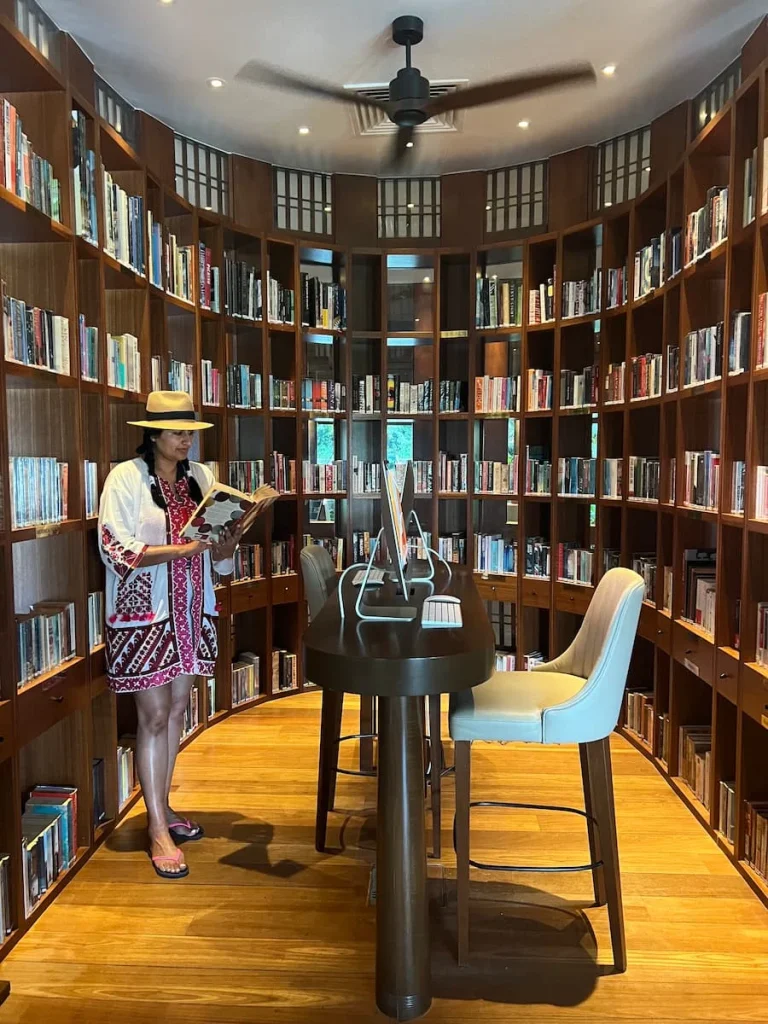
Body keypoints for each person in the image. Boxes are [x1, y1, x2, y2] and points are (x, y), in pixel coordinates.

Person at [98, 392, 241, 878]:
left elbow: (219, 560)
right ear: (154, 435)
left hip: (192, 613)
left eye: (190, 433)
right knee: (154, 715)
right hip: (146, 617)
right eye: (178, 432)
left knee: (178, 709)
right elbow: (116, 549)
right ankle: (156, 826)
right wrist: (183, 549)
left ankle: (163, 806)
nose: (186, 441)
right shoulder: (125, 478)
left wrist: (227, 545)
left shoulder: (201, 478)